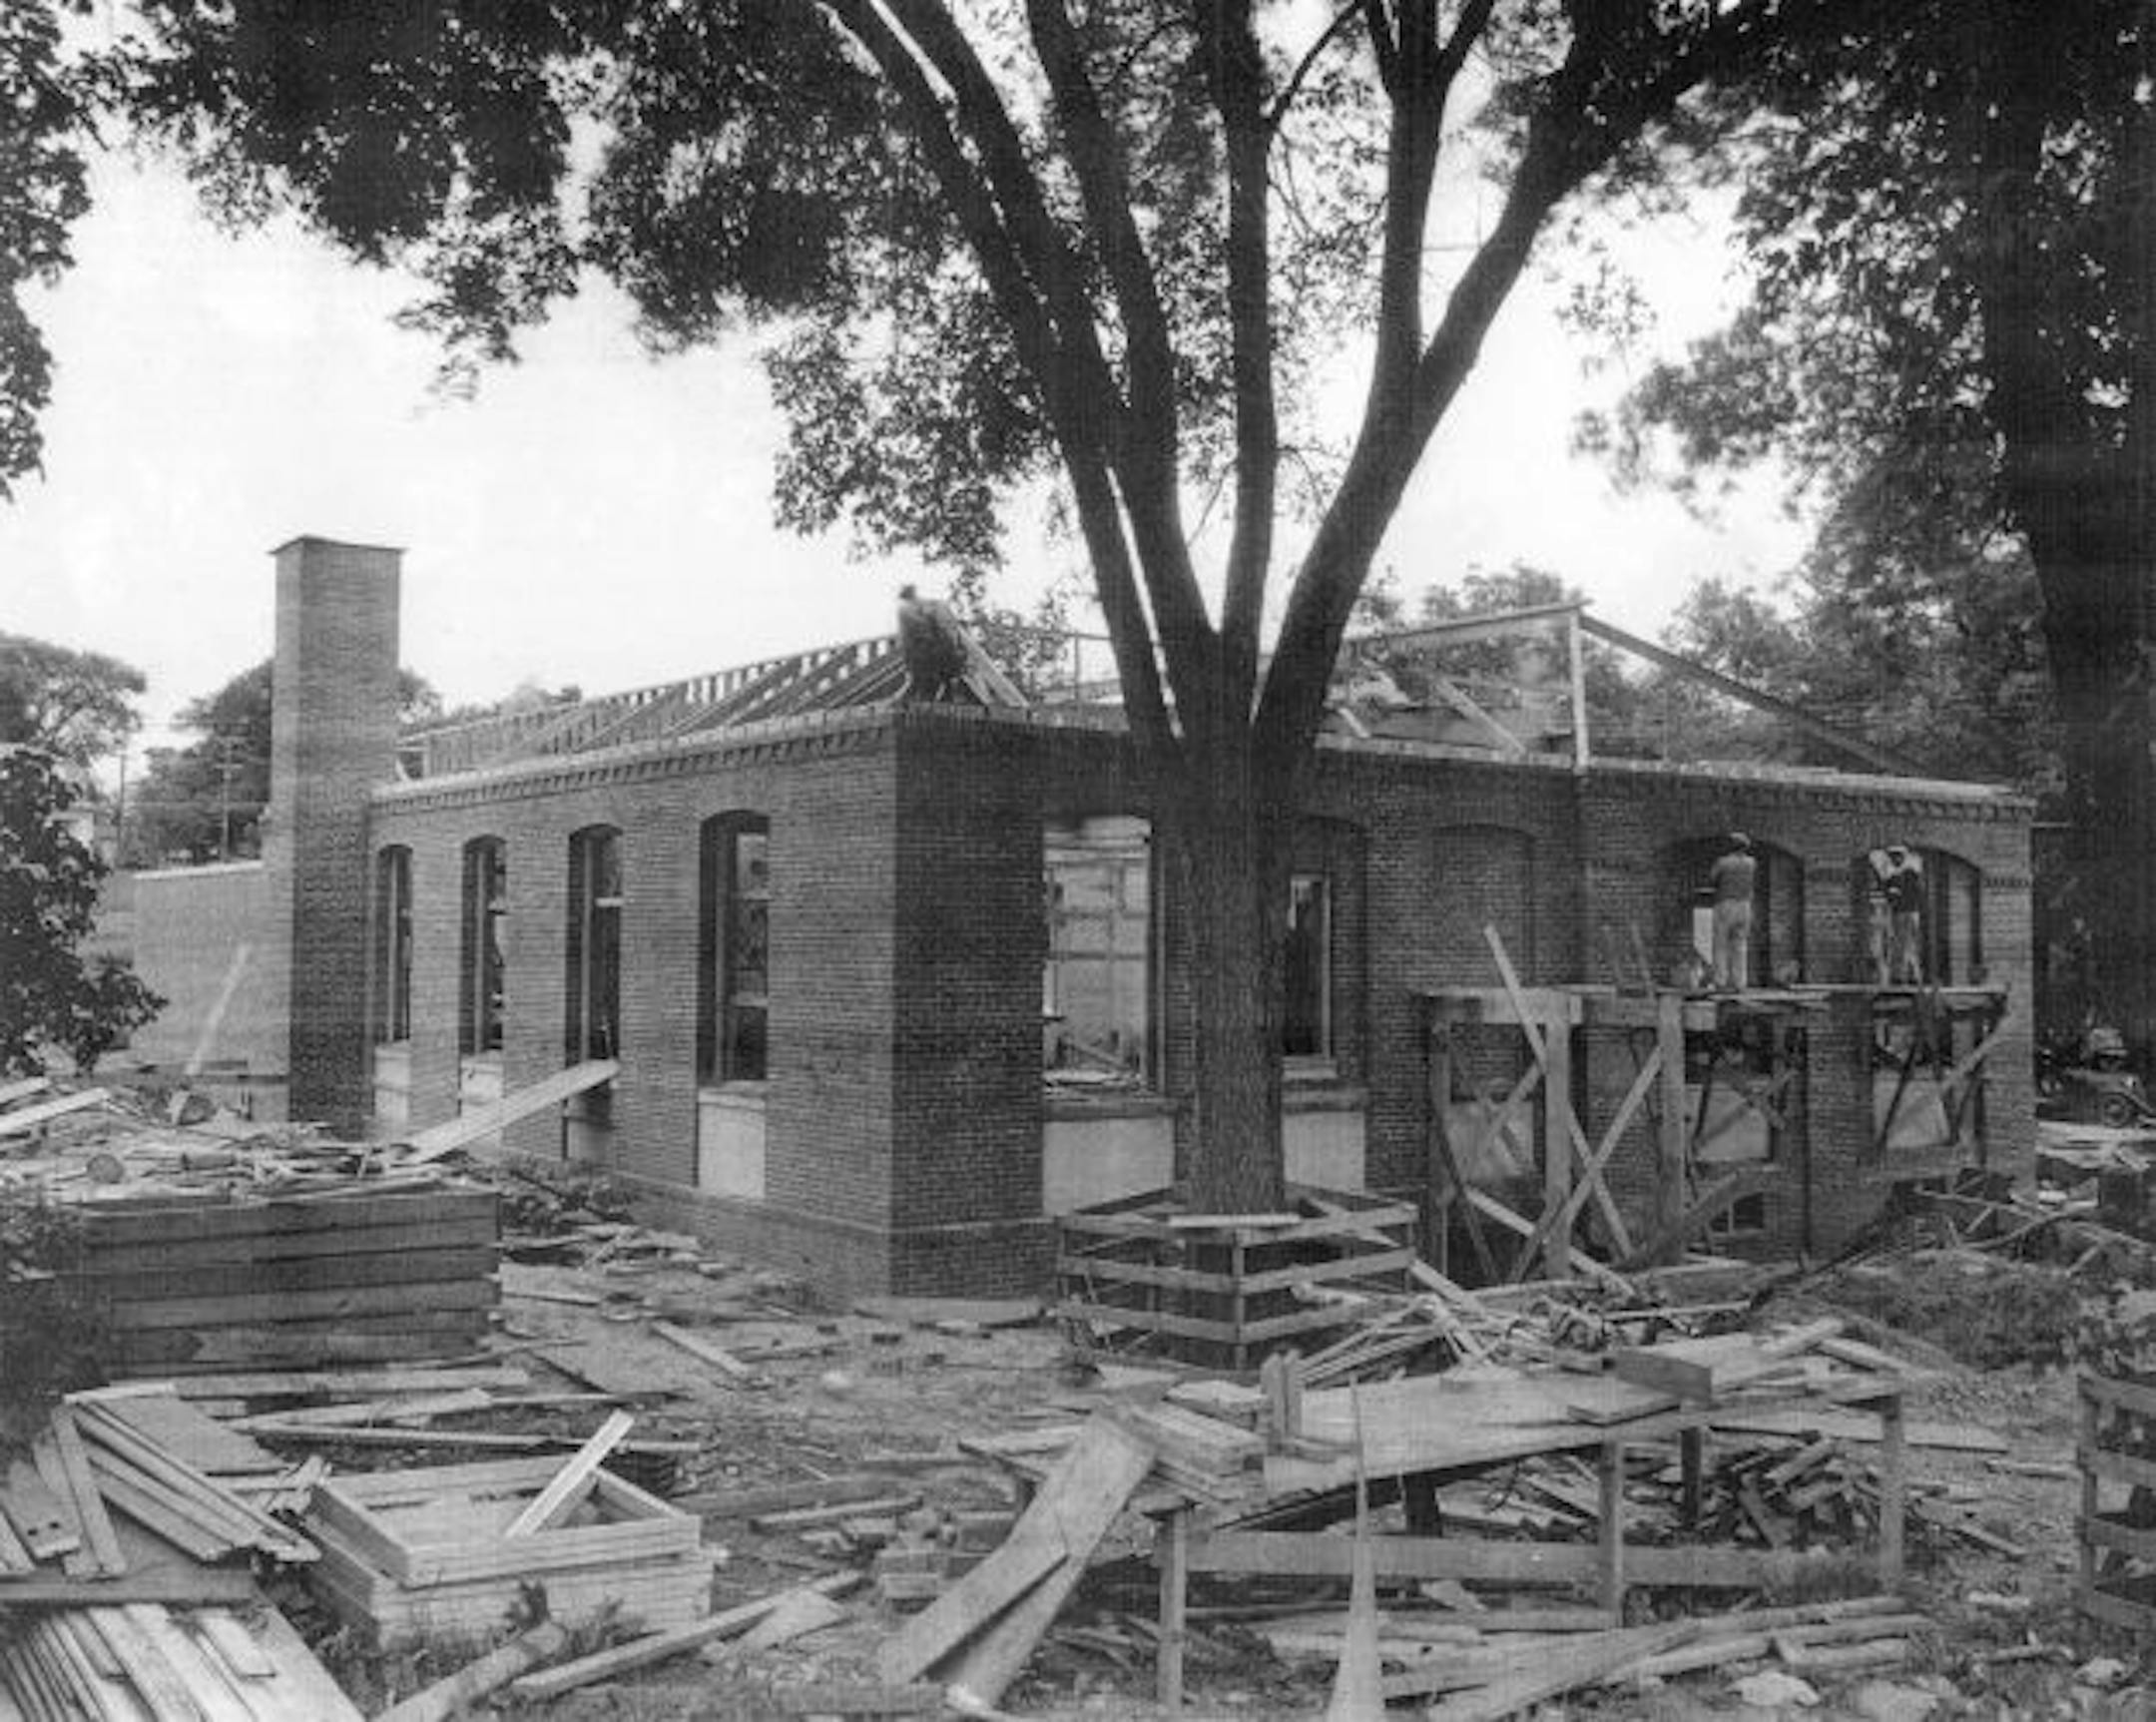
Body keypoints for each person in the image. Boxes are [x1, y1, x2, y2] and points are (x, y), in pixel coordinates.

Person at [1709, 832, 1758, 990]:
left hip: (1726, 903)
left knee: (1720, 943)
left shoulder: (1723, 862)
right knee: (1740, 945)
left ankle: (1720, 981)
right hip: (1745, 905)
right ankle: (1740, 983)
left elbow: (1713, 878)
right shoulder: (1751, 863)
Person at [1882, 844, 1924, 983]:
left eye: (1897, 856)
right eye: (1892, 857)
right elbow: (1889, 895)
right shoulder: (1893, 876)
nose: (1895, 859)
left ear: (1903, 857)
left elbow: (1917, 892)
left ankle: (1906, 975)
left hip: (1907, 912)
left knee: (1906, 943)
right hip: (1901, 913)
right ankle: (1905, 975)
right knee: (1902, 943)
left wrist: (1896, 895)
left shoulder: (1910, 874)